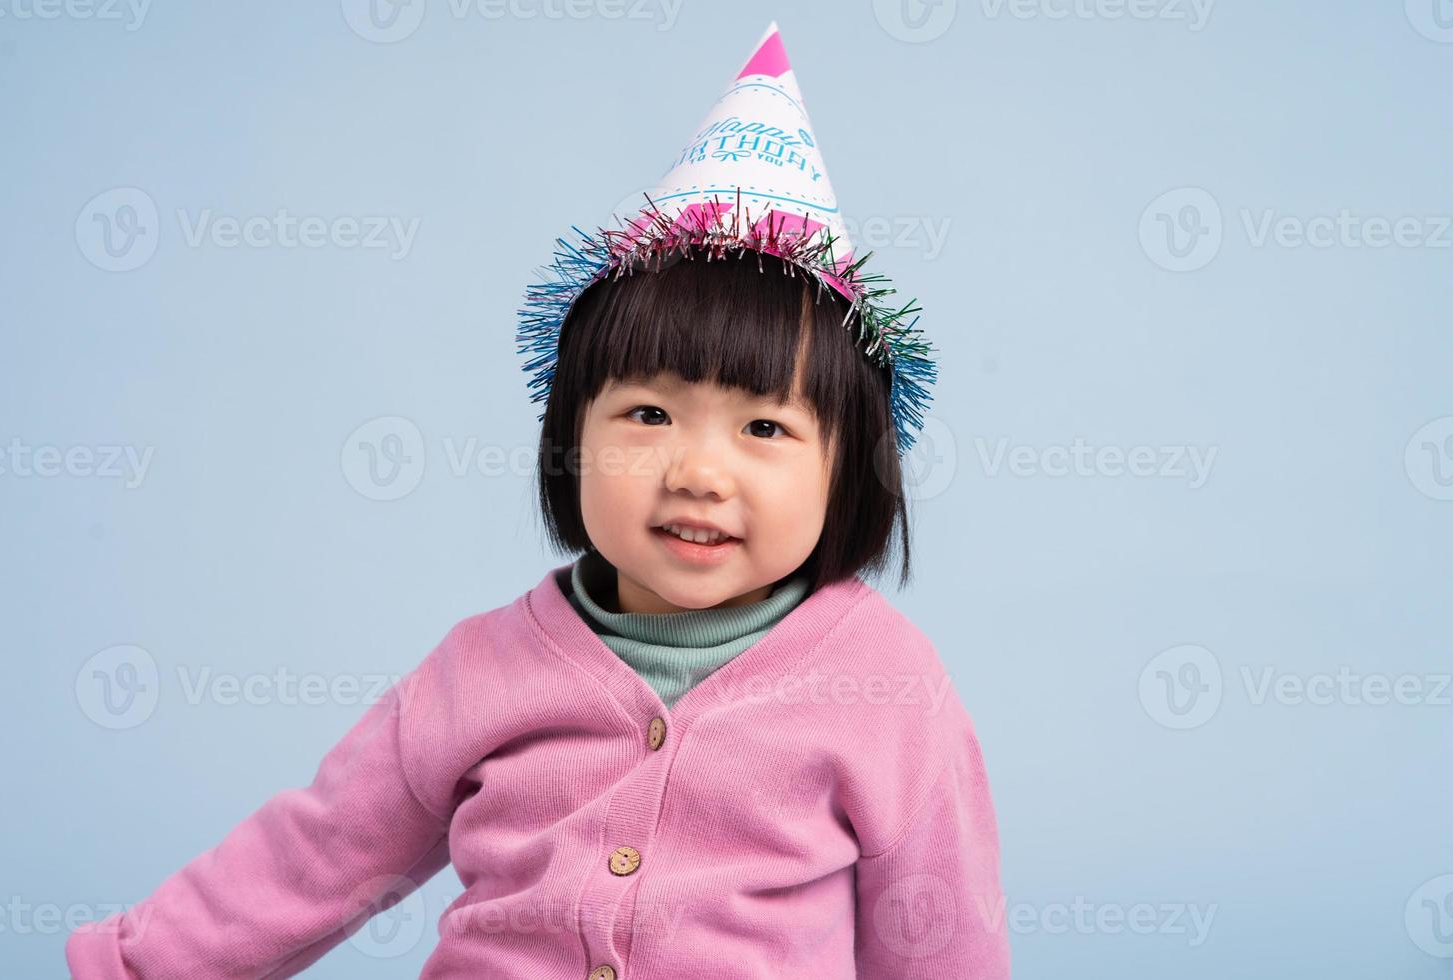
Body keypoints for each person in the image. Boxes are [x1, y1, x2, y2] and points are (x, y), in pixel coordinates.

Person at [66, 21, 1009, 979]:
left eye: (765, 429)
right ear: (571, 441)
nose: (697, 472)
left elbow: (941, 935)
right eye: (648, 414)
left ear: (847, 472)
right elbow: (318, 855)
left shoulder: (886, 684)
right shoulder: (481, 670)